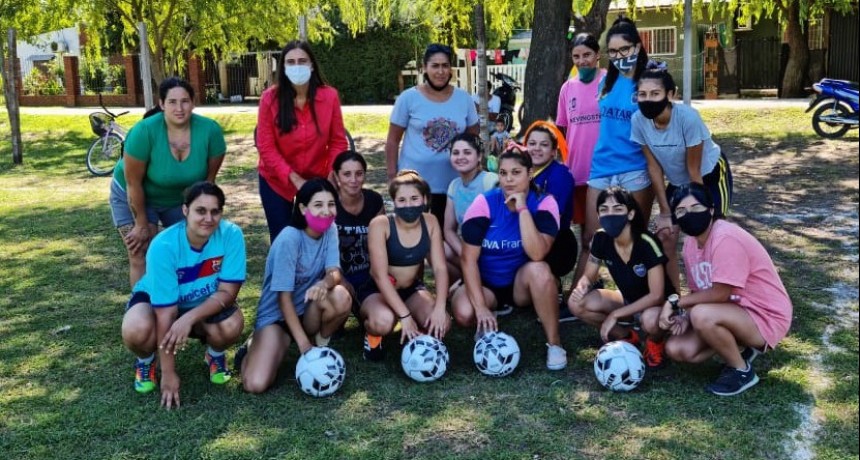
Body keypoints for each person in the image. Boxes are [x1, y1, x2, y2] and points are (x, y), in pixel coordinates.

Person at [657, 184, 792, 396]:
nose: (689, 214)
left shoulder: (725, 237)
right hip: (732, 311)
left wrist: (674, 303)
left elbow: (720, 293)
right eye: (681, 211)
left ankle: (741, 371)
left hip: (765, 315)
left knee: (702, 314)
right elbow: (698, 293)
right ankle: (741, 347)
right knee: (678, 349)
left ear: (711, 210)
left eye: (696, 207)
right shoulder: (690, 244)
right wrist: (685, 317)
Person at [120, 182, 245, 409]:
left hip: (202, 304)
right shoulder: (164, 245)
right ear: (185, 210)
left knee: (231, 324)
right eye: (201, 211)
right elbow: (165, 313)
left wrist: (188, 318)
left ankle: (214, 355)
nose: (208, 218)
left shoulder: (231, 235)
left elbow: (228, 293)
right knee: (136, 329)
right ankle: (146, 361)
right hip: (159, 302)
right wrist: (169, 373)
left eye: (215, 211)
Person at [451, 151, 568, 370]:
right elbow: (468, 259)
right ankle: (490, 308)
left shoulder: (544, 202)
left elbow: (537, 254)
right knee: (464, 313)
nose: (509, 179)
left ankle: (555, 344)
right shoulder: (484, 202)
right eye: (503, 173)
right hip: (486, 283)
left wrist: (523, 209)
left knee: (540, 270)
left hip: (520, 285)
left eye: (516, 173)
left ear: (530, 174)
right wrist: (480, 308)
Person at [238, 179, 352, 393]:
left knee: (340, 296)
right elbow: (283, 299)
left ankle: (319, 347)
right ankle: (251, 349)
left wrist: (324, 283)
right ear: (302, 208)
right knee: (255, 384)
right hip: (277, 317)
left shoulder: (330, 229)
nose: (326, 211)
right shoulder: (289, 239)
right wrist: (302, 346)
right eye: (318, 205)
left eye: (331, 204)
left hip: (307, 311)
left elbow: (334, 272)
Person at [110, 77, 226, 287]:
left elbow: (208, 184)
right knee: (141, 250)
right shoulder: (144, 131)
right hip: (134, 193)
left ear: (193, 102)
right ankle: (143, 303)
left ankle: (190, 300)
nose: (179, 108)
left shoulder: (210, 131)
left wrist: (204, 217)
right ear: (162, 104)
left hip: (178, 198)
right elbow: (133, 183)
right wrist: (141, 223)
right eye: (172, 102)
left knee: (190, 249)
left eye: (185, 101)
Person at [631, 63, 733, 290]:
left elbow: (693, 169)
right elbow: (654, 167)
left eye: (655, 94)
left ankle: (715, 291)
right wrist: (665, 212)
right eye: (642, 94)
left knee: (712, 232)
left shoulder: (688, 117)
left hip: (708, 175)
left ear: (670, 94)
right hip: (678, 182)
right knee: (666, 236)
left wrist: (698, 211)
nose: (648, 99)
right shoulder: (638, 120)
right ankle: (674, 297)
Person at [567, 186, 674, 369]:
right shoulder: (600, 238)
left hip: (655, 305)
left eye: (617, 209)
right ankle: (626, 336)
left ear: (630, 214)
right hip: (626, 299)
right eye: (604, 210)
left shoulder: (646, 242)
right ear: (598, 215)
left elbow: (656, 295)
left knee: (650, 321)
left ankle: (655, 342)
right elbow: (589, 274)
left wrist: (615, 315)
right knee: (576, 303)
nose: (610, 215)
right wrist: (582, 285)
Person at [256, 40, 348, 242]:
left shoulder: (330, 96)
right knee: (283, 238)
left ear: (312, 65)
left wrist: (331, 174)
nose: (297, 66)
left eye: (302, 61)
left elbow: (338, 142)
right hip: (276, 181)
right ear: (283, 67)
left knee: (318, 235)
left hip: (318, 177)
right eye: (291, 62)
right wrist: (295, 179)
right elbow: (266, 147)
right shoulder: (269, 99)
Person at [385, 43, 480, 228]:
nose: (440, 71)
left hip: (452, 184)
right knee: (413, 235)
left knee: (445, 235)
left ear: (451, 68)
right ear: (424, 68)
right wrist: (391, 176)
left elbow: (474, 138)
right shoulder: (408, 98)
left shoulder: (464, 99)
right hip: (414, 185)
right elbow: (392, 140)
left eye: (445, 65)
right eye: (435, 66)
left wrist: (474, 168)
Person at [362, 170, 451, 361]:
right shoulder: (380, 224)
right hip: (378, 289)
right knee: (383, 322)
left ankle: (418, 337)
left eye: (414, 198)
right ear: (394, 202)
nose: (408, 205)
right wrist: (405, 316)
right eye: (401, 200)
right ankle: (373, 336)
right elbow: (379, 275)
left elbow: (440, 268)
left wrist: (439, 307)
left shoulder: (431, 222)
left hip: (410, 289)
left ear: (424, 199)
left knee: (443, 322)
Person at [588, 17, 653, 238]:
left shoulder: (648, 84)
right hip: (602, 167)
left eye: (624, 49)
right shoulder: (605, 82)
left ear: (637, 46)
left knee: (635, 238)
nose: (619, 56)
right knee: (592, 238)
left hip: (634, 168)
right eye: (613, 51)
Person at [555, 33, 606, 283]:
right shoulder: (568, 88)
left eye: (587, 55)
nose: (582, 60)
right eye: (577, 56)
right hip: (577, 172)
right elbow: (562, 130)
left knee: (594, 236)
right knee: (585, 234)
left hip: (604, 171)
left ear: (597, 55)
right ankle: (591, 282)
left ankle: (579, 290)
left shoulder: (610, 82)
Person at [331, 150, 385, 320]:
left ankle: (364, 309)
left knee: (382, 321)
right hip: (336, 276)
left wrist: (378, 277)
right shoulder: (328, 204)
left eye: (359, 174)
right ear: (336, 176)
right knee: (338, 304)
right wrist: (340, 280)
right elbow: (321, 252)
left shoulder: (374, 200)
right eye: (347, 174)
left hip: (368, 276)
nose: (353, 180)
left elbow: (383, 243)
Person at [522, 123, 576, 281]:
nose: (537, 148)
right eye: (532, 143)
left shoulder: (561, 174)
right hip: (524, 233)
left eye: (544, 145)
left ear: (553, 151)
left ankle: (551, 284)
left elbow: (552, 218)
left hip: (554, 240)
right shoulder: (521, 170)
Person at [443, 133, 498, 283]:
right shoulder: (454, 185)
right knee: (437, 249)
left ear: (479, 156)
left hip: (492, 249)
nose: (461, 157)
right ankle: (463, 281)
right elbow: (448, 230)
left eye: (467, 152)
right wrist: (465, 253)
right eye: (456, 153)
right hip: (467, 249)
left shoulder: (490, 181)